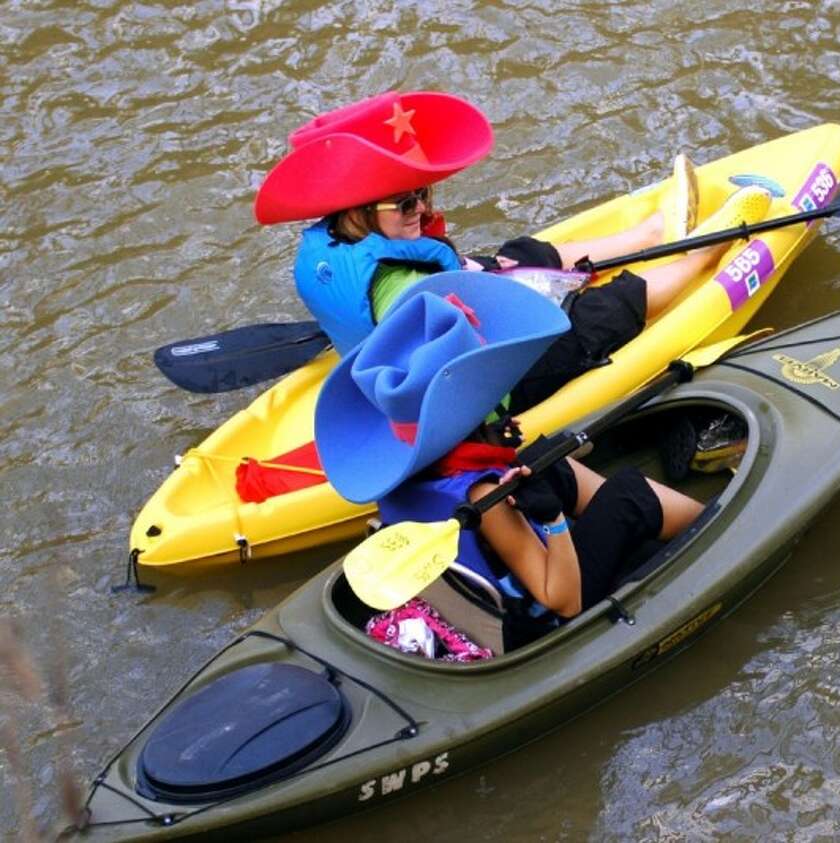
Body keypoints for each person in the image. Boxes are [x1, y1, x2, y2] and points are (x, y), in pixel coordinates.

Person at [256, 90, 772, 411]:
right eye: (405, 200)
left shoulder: (331, 244)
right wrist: (539, 302)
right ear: (355, 209)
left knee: (520, 252)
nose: (419, 207)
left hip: (418, 332)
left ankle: (652, 233)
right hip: (487, 388)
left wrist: (486, 272)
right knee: (598, 314)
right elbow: (469, 357)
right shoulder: (401, 290)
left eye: (424, 194)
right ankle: (703, 254)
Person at [314, 270, 703, 620]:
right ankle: (712, 524)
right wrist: (552, 522)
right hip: (544, 609)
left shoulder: (405, 474)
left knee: (550, 461)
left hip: (494, 573)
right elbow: (562, 600)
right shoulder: (485, 496)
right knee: (628, 495)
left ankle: (643, 529)